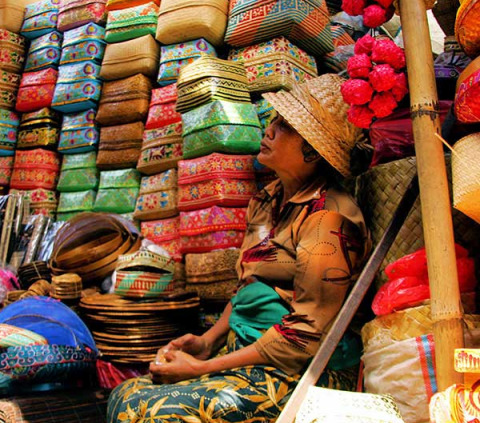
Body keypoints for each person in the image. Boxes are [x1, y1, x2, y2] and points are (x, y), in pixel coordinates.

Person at [107, 74, 371, 423]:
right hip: (245, 352)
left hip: (304, 370)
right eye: (273, 120)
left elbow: (304, 335)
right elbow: (250, 284)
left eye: (285, 126)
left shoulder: (329, 219)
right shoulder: (267, 199)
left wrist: (204, 367)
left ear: (312, 149)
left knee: (158, 414)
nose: (269, 130)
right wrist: (208, 341)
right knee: (126, 394)